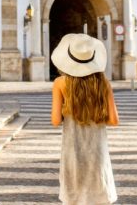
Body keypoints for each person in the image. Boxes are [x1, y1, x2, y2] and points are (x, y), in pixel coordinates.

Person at [51, 33, 119, 205]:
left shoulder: (60, 83)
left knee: (74, 196)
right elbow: (114, 120)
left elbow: (55, 120)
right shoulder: (103, 83)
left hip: (72, 150)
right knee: (98, 197)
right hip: (97, 151)